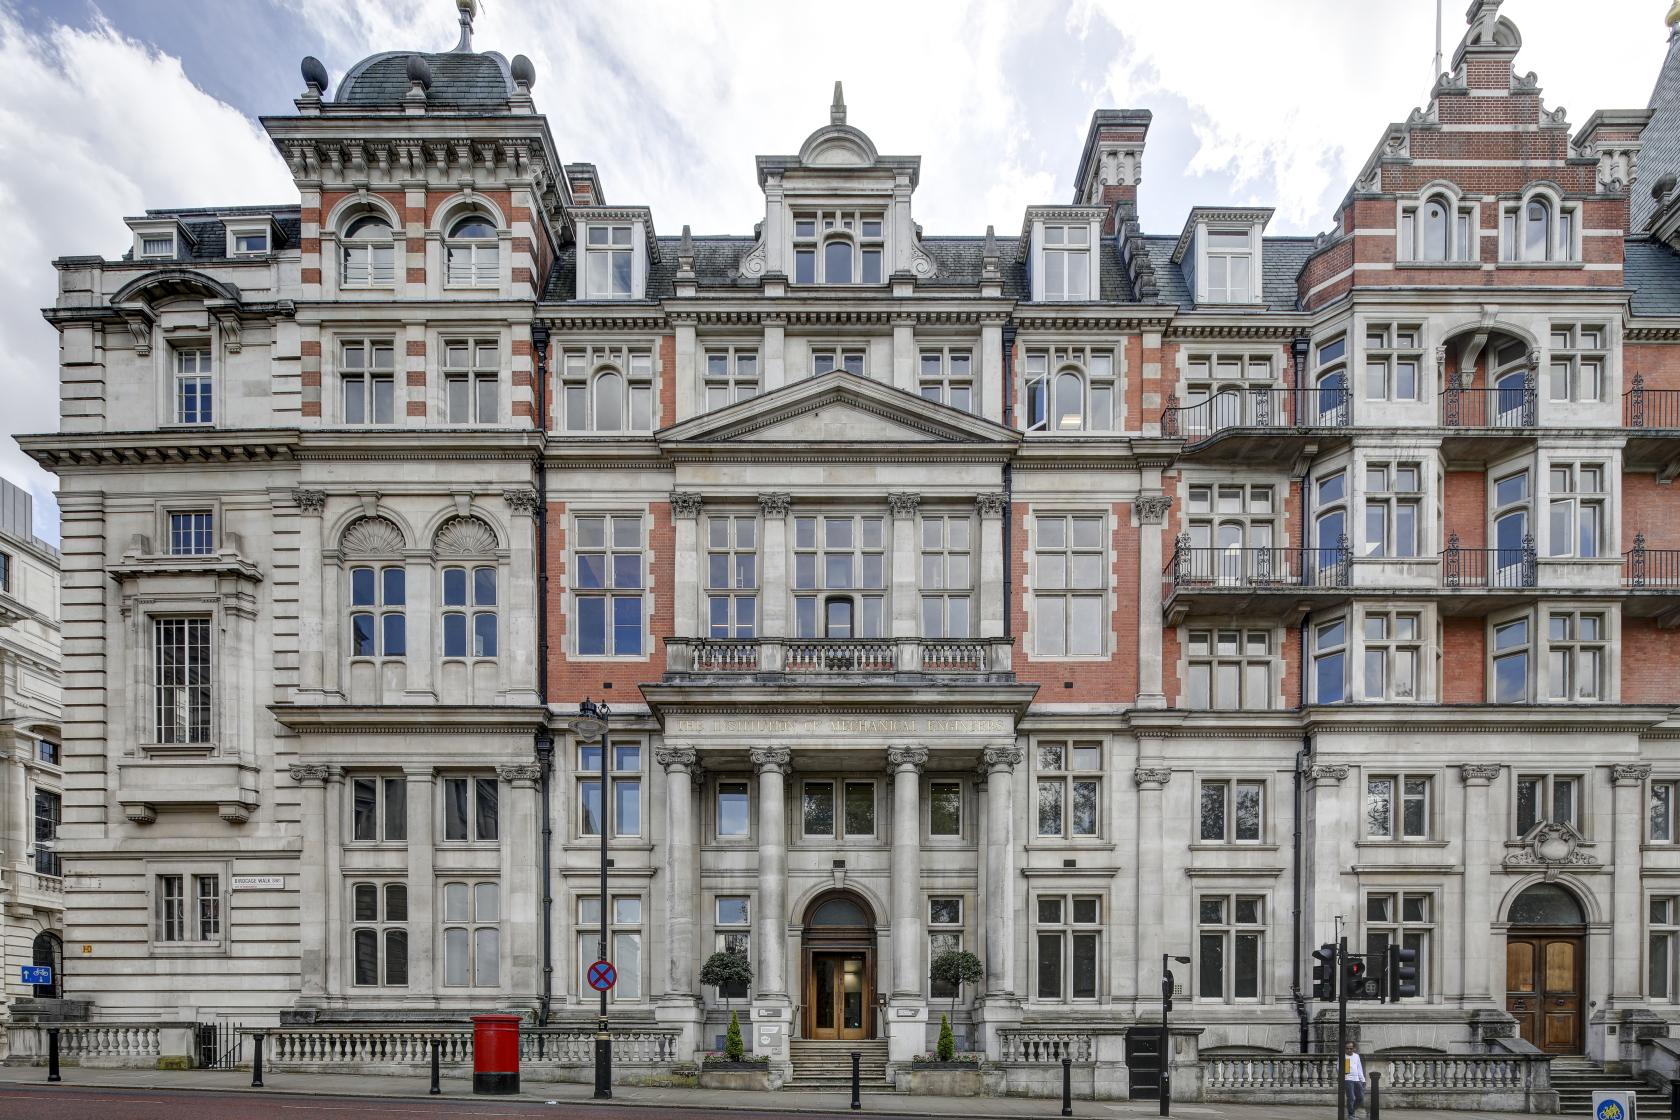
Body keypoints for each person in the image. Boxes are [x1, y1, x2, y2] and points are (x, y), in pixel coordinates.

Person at [1343, 1041, 1367, 1118]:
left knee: (1360, 1097)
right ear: (1345, 1049)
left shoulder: (1356, 1056)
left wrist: (1363, 1079)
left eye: (1351, 1048)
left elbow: (1359, 1068)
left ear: (1354, 1048)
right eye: (1347, 1048)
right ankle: (1351, 1115)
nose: (1349, 1050)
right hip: (1348, 1080)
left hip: (1357, 1079)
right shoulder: (1343, 1056)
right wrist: (1345, 1075)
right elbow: (1339, 1069)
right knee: (1351, 1097)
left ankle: (1351, 1111)